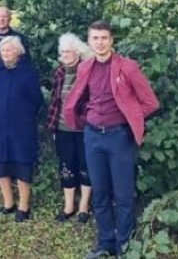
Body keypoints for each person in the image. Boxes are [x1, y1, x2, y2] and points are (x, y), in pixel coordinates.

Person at [63, 21, 160, 259]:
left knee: (124, 194)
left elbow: (150, 103)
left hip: (119, 137)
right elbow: (82, 97)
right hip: (93, 136)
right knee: (100, 192)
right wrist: (88, 117)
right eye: (95, 38)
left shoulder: (128, 67)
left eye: (104, 38)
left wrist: (131, 117)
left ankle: (124, 246)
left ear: (111, 40)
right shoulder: (86, 67)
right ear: (89, 41)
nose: (99, 42)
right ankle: (105, 242)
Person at [0, 37, 43, 221]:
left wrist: (23, 115)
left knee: (22, 164)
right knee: (0, 164)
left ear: (18, 52)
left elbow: (37, 100)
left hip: (21, 127)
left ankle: (23, 206)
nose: (5, 54)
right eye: (2, 50)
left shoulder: (28, 72)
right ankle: (8, 203)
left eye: (9, 50)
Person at [47, 33, 94, 224]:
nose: (65, 55)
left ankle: (83, 206)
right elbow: (56, 99)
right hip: (62, 127)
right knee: (66, 166)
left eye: (69, 51)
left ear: (78, 52)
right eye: (63, 51)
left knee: (85, 166)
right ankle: (68, 206)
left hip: (84, 128)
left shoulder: (88, 71)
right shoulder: (60, 72)